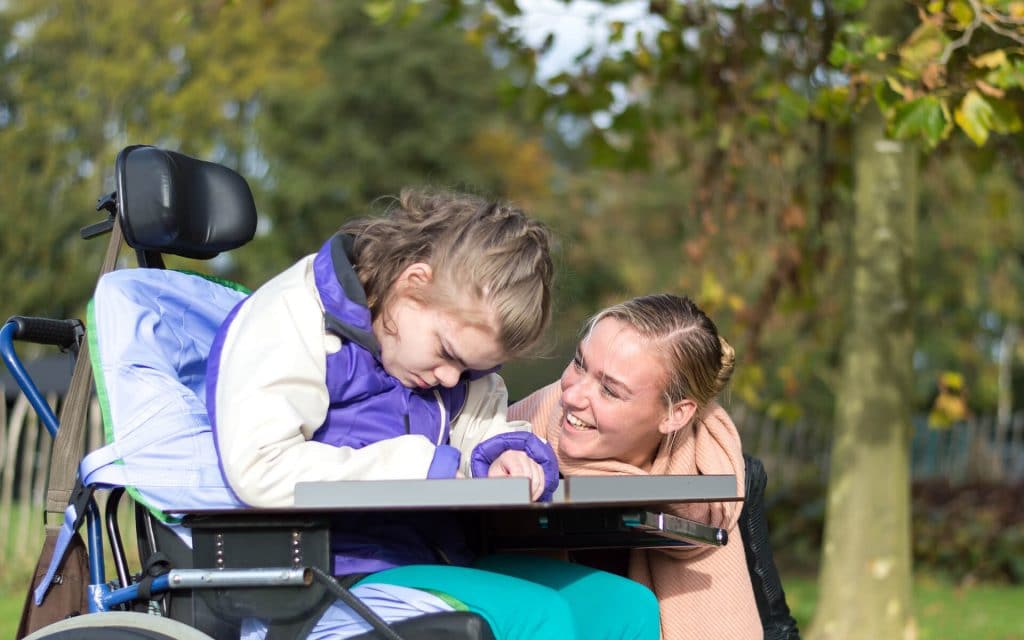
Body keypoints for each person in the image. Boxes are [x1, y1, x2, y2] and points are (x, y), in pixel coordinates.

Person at [206, 188, 659, 640]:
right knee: (536, 614)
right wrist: (415, 465)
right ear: (413, 282)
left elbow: (482, 432)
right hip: (325, 578)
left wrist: (506, 455)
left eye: (470, 369)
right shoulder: (294, 315)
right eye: (447, 353)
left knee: (623, 606)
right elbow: (260, 467)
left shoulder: (446, 358)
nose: (450, 377)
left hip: (434, 559)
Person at [500, 294, 763, 640]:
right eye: (579, 363)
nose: (572, 396)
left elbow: (775, 618)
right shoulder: (509, 440)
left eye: (610, 390)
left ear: (675, 414)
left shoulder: (719, 477)